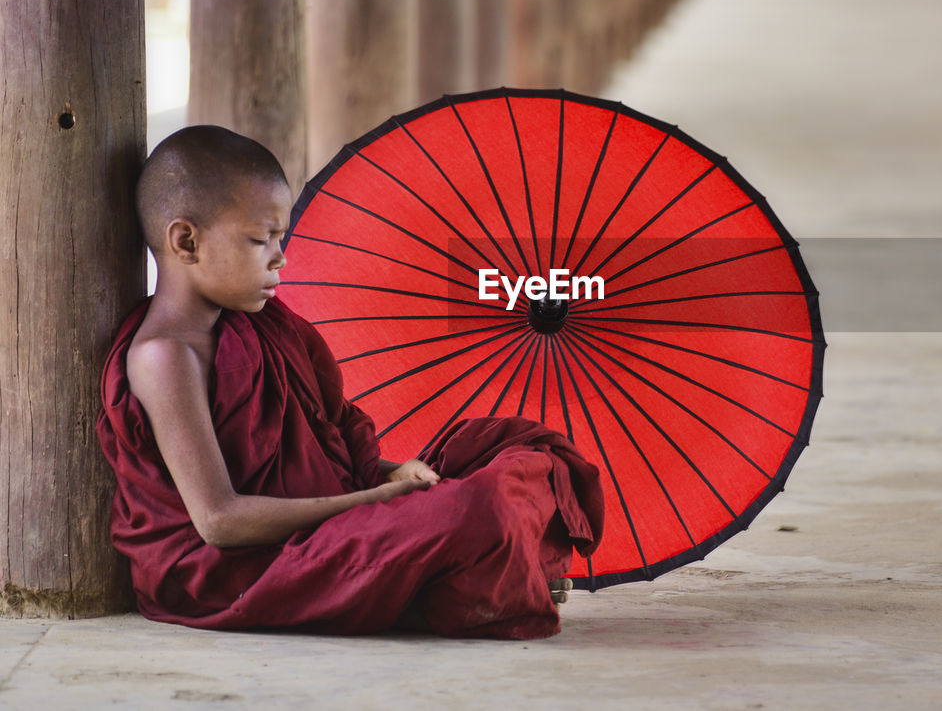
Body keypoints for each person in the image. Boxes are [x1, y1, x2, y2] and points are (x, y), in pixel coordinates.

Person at [96, 125, 603, 638]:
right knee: (478, 508)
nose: (280, 257)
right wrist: (377, 500)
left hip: (325, 521)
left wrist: (389, 473)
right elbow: (219, 522)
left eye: (281, 237)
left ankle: (470, 570)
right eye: (259, 240)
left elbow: (327, 441)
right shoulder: (166, 357)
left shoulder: (260, 323)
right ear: (186, 241)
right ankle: (472, 571)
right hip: (242, 570)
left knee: (522, 446)